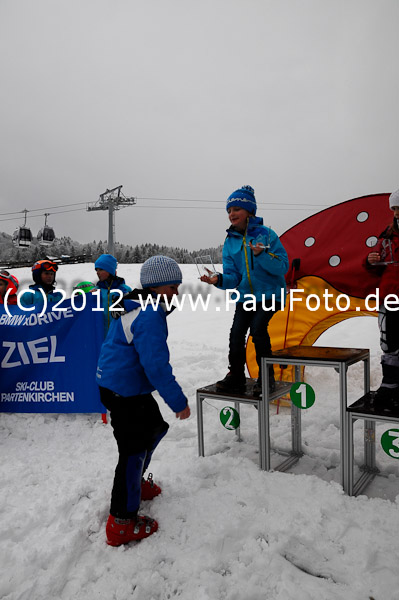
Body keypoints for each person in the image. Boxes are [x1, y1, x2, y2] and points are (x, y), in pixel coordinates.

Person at [96, 255, 190, 546]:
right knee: (133, 451)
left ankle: (134, 484)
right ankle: (121, 523)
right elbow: (156, 366)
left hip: (126, 386)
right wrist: (178, 401)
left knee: (155, 428)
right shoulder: (148, 314)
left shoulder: (140, 305)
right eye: (173, 286)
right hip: (122, 390)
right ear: (157, 286)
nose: (176, 293)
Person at [200, 185, 289, 395]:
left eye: (236, 209)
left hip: (270, 295)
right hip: (245, 297)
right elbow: (234, 277)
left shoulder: (267, 235)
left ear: (250, 211)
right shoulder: (230, 242)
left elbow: (282, 267)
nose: (232, 214)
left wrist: (261, 255)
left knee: (258, 330)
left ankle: (267, 379)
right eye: (229, 211)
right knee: (236, 335)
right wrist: (218, 279)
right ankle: (236, 376)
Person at [366, 189, 399, 409]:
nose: (397, 213)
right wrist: (370, 260)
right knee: (389, 341)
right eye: (394, 209)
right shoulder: (386, 236)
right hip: (389, 295)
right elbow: (374, 268)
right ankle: (390, 385)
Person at [93, 254, 131, 334]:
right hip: (100, 336)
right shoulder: (95, 291)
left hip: (119, 337)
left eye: (101, 269)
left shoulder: (125, 290)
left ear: (110, 271)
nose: (97, 272)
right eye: (96, 270)